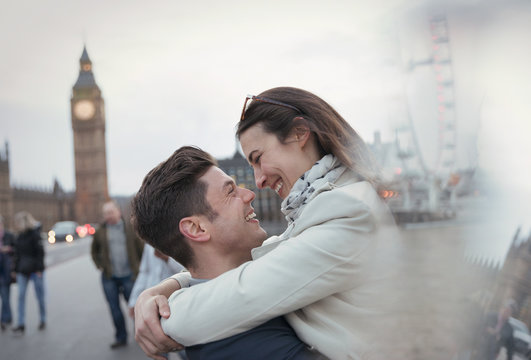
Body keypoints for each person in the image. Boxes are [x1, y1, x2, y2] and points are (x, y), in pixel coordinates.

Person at [134, 87, 399, 360]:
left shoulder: (347, 211)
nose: (256, 183)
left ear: (299, 133)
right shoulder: (326, 205)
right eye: (231, 190)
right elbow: (271, 257)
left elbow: (243, 292)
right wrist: (164, 288)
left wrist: (158, 314)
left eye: (258, 159)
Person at [132, 146, 324, 359]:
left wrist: (161, 289)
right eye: (230, 191)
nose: (250, 194)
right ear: (197, 229)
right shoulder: (252, 344)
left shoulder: (212, 314)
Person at [91, 200, 144, 349]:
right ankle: (121, 337)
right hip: (109, 277)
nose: (108, 216)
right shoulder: (101, 231)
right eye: (105, 213)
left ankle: (142, 334)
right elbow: (94, 251)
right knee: (115, 309)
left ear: (118, 212)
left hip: (129, 275)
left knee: (135, 306)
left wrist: (140, 268)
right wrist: (99, 265)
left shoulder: (130, 228)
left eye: (110, 212)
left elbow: (141, 249)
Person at [12, 211, 46, 335]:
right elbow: (17, 255)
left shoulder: (35, 235)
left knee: (40, 296)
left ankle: (43, 319)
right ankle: (21, 323)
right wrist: (15, 270)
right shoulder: (19, 236)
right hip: (22, 270)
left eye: (17, 222)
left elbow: (40, 253)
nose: (16, 225)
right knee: (20, 296)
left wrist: (39, 269)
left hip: (35, 271)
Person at [0, 215, 16, 331]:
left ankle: (4, 320)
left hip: (6, 271)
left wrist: (8, 249)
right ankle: (8, 317)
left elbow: (17, 250)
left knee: (5, 296)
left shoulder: (9, 235)